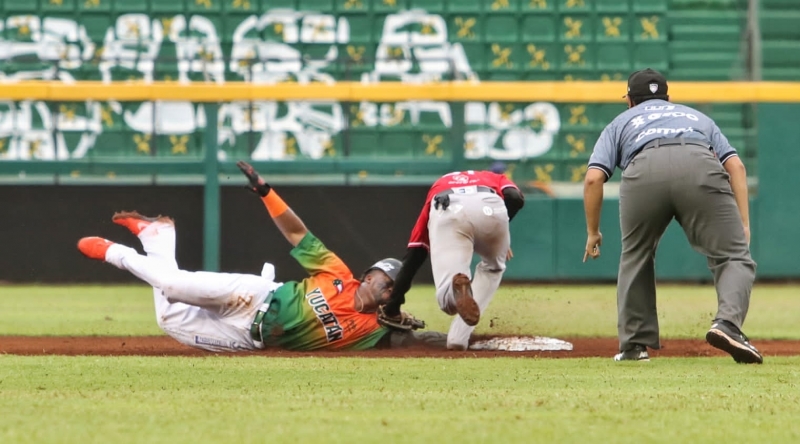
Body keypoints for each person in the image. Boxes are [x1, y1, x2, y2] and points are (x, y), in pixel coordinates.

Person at [76, 161, 439, 352]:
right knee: (171, 284)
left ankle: (158, 239)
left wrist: (459, 337)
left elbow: (420, 342)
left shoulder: (373, 332)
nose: (390, 290)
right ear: (370, 275)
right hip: (253, 296)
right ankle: (116, 253)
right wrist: (267, 193)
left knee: (168, 317)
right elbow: (298, 232)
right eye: (388, 281)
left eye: (397, 289)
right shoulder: (337, 273)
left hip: (247, 340)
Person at [582, 68, 762, 364]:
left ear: (629, 100)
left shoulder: (621, 122)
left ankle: (634, 346)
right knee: (734, 257)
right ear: (668, 98)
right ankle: (727, 324)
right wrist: (743, 223)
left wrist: (593, 232)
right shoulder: (696, 117)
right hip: (698, 164)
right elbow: (737, 167)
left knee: (636, 256)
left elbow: (593, 179)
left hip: (643, 170)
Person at [377, 170, 525, 351]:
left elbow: (414, 257)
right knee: (493, 268)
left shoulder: (439, 185)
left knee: (447, 302)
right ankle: (457, 339)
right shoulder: (493, 177)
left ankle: (456, 295)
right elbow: (514, 197)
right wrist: (500, 231)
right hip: (492, 206)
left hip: (448, 207)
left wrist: (393, 305)